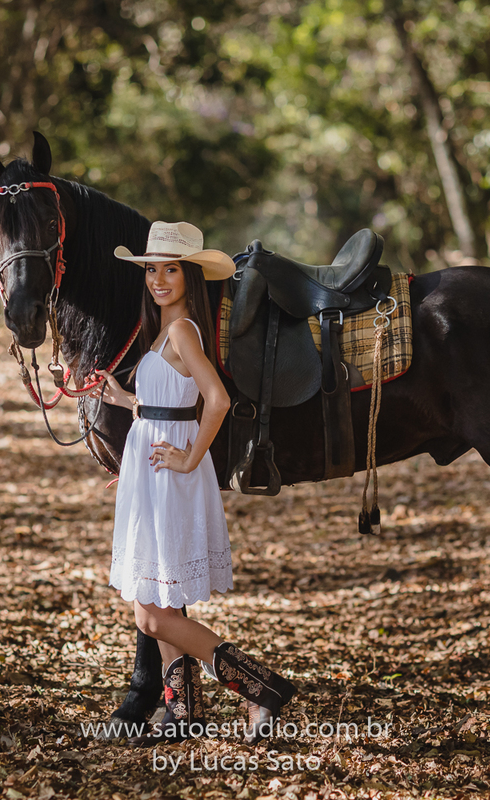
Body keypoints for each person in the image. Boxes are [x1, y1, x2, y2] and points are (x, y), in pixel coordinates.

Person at [93, 221, 297, 745]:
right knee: (153, 599)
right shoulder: (164, 332)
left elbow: (217, 400)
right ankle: (184, 713)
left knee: (153, 616)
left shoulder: (183, 330)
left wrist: (189, 461)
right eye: (152, 271)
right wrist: (125, 400)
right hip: (152, 474)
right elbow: (170, 404)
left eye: (171, 271)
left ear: (189, 278)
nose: (159, 280)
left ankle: (261, 687)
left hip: (171, 478)